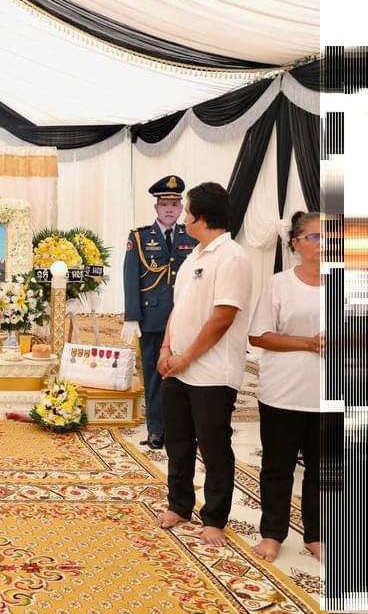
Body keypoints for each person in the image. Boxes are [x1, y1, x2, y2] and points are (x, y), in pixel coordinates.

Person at [154, 182, 252, 546]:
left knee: (213, 445)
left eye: (186, 209)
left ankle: (214, 518)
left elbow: (222, 318)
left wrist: (186, 358)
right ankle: (179, 505)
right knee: (177, 442)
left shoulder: (233, 257)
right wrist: (166, 348)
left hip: (212, 373)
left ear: (201, 215)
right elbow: (178, 311)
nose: (182, 216)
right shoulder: (193, 257)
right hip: (177, 368)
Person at [248, 211, 323, 562]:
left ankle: (317, 535)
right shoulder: (280, 283)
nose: (325, 244)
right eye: (315, 237)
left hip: (332, 393)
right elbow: (259, 334)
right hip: (283, 392)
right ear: (295, 243)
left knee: (325, 469)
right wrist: (307, 344)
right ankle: (273, 533)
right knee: (278, 467)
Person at [122, 175, 197, 449]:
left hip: (184, 318)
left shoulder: (191, 236)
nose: (169, 209)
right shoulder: (140, 237)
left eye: (175, 204)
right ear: (156, 207)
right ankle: (156, 428)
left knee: (185, 373)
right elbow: (131, 276)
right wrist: (132, 316)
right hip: (152, 319)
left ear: (181, 208)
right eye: (164, 204)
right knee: (155, 375)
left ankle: (182, 428)